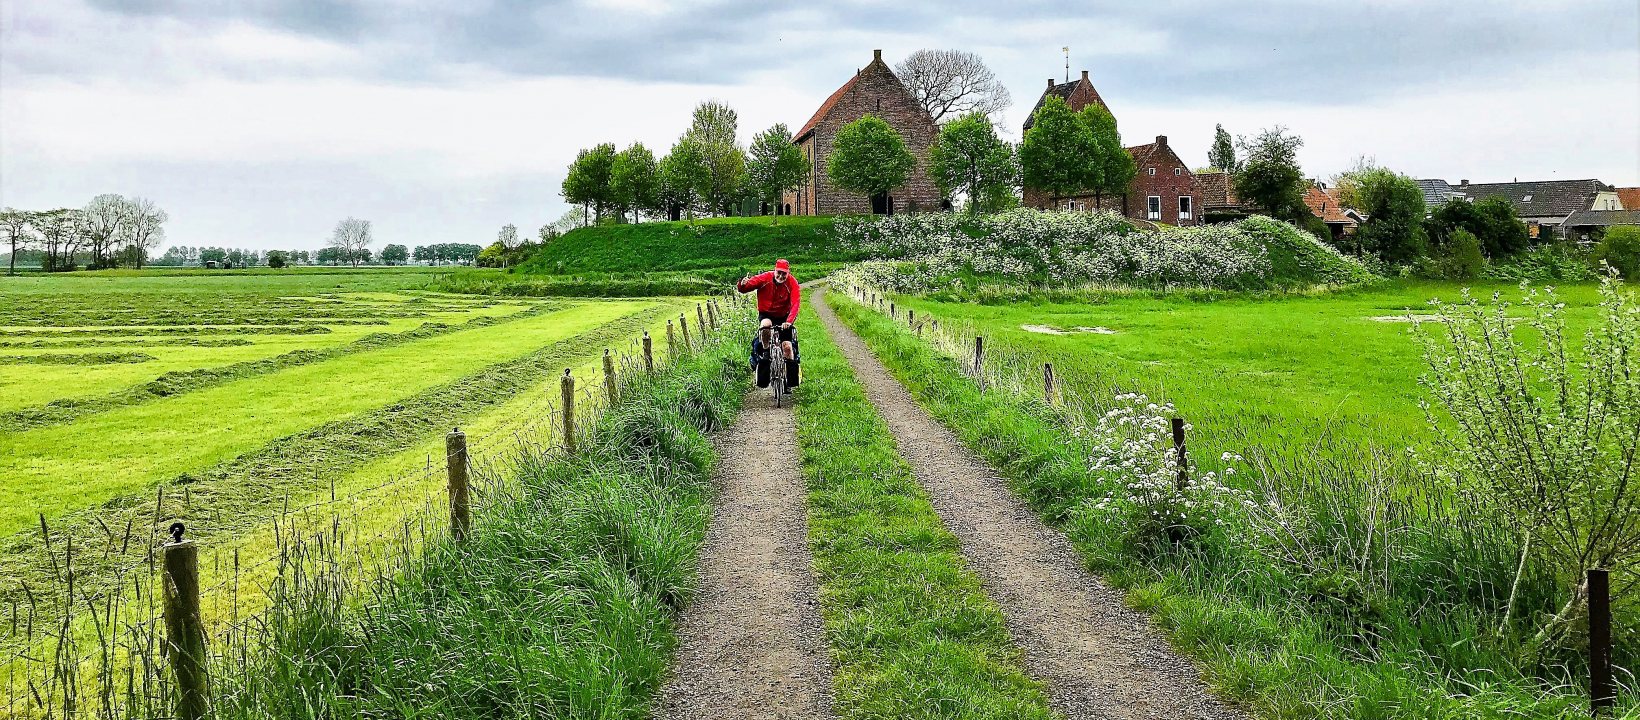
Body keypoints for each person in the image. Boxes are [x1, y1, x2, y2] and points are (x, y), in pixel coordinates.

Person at [737, 259, 800, 391]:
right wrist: (742, 285)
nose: (781, 276)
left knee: (787, 347)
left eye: (784, 274)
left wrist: (789, 322)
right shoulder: (765, 278)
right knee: (765, 325)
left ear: (788, 273)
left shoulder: (792, 283)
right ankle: (765, 351)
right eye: (779, 273)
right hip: (766, 314)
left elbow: (795, 303)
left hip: (784, 318)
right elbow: (747, 287)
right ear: (774, 270)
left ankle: (789, 381)